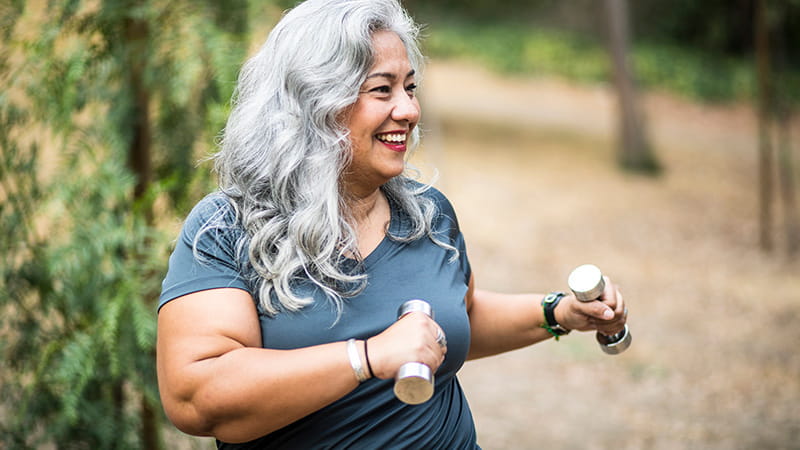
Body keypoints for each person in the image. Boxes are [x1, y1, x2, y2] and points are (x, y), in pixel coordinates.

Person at [156, 0, 628, 448]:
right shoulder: (226, 229)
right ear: (314, 102)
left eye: (410, 87)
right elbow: (196, 397)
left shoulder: (427, 214)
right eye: (382, 89)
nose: (408, 110)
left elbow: (455, 319)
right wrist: (365, 358)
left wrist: (556, 313)